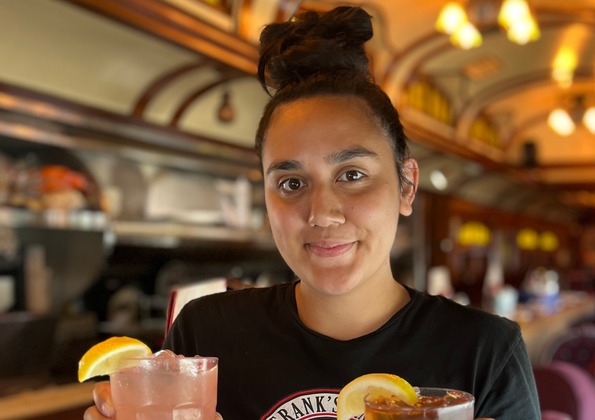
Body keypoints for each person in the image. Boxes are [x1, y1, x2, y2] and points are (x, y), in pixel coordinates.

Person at [85, 6, 540, 419]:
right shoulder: (207, 335)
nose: (322, 213)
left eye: (352, 174)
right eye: (291, 183)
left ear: (407, 186)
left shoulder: (484, 352)